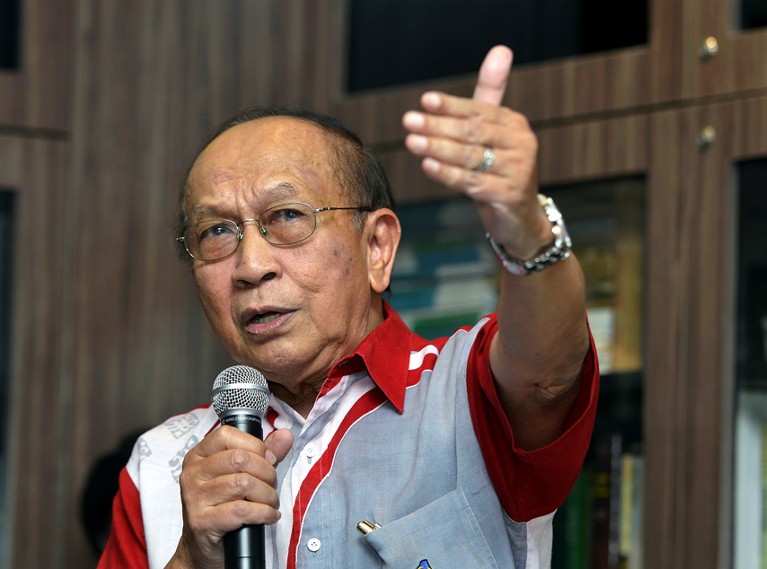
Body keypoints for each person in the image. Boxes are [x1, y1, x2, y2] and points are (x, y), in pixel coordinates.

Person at [98, 45, 598, 568]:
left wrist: (525, 231)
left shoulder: (468, 391)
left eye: (287, 215)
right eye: (216, 231)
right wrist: (190, 557)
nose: (250, 266)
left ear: (376, 246)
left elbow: (550, 372)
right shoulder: (159, 464)